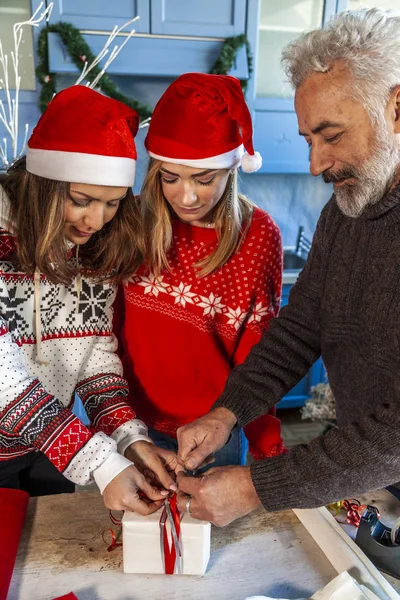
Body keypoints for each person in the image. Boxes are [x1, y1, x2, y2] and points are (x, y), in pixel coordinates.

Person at [175, 8, 400, 526]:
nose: (315, 164)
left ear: (395, 107)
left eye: (331, 134)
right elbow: (301, 328)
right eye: (307, 140)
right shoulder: (343, 212)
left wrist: (257, 486)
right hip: (373, 477)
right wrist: (227, 412)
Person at [0, 85, 178, 513]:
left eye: (113, 203)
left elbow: (95, 357)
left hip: (49, 449)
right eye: (81, 200)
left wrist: (129, 441)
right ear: (45, 185)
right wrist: (96, 461)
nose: (96, 220)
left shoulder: (99, 248)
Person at [118, 73, 284, 467]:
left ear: (231, 169)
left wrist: (265, 441)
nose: (186, 196)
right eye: (170, 178)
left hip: (214, 432)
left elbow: (257, 352)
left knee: (211, 530)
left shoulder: (258, 236)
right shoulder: (131, 222)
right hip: (129, 427)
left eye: (204, 179)